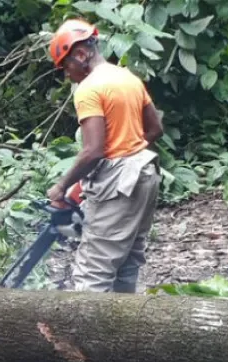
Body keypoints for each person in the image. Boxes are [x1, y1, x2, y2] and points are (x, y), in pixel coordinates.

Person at [46, 19, 164, 293]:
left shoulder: (89, 89)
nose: (66, 74)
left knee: (93, 272)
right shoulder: (128, 78)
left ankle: (86, 336)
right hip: (145, 172)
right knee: (127, 261)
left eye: (65, 66)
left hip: (120, 182)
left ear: (80, 54)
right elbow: (155, 129)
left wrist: (61, 187)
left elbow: (93, 151)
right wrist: (128, 154)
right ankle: (124, 332)